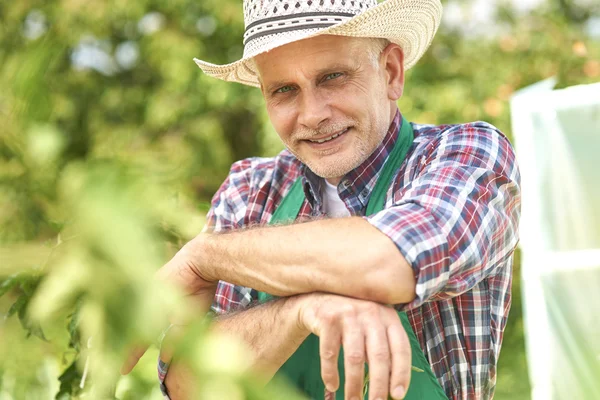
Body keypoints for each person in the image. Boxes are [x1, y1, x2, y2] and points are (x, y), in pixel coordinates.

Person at [121, 1, 521, 399]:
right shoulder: (250, 189)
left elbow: (389, 263)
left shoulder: (467, 153)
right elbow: (188, 384)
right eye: (284, 90)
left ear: (391, 72)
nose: (312, 114)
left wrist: (205, 257)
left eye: (332, 77)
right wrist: (299, 312)